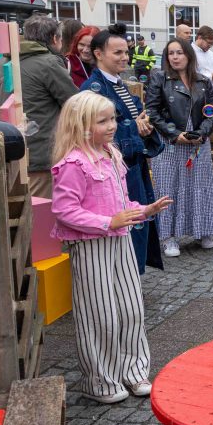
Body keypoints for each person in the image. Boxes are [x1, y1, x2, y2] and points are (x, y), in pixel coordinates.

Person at [49, 91, 172, 403]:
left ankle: (133, 372)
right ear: (81, 125)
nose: (112, 125)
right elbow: (65, 211)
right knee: (100, 314)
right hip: (91, 246)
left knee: (132, 309)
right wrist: (109, 222)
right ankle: (101, 380)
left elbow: (120, 203)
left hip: (119, 242)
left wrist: (143, 210)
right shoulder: (73, 164)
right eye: (102, 120)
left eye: (113, 118)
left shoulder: (111, 155)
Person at [79, 25, 165, 274]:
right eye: (117, 53)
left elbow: (133, 122)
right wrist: (134, 129)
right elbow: (93, 134)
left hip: (132, 167)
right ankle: (122, 281)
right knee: (124, 226)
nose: (125, 57)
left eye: (126, 52)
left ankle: (131, 278)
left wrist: (145, 125)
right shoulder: (91, 89)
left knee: (138, 223)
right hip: (112, 172)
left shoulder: (119, 85)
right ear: (98, 54)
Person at [0, 14, 79, 198]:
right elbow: (75, 103)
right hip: (42, 153)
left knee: (16, 208)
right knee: (40, 211)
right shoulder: (49, 63)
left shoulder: (1, 62)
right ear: (55, 39)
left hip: (8, 148)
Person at [145, 38, 213, 257]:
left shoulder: (202, 80)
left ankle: (203, 230)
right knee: (169, 187)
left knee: (200, 185)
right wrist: (174, 134)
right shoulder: (159, 78)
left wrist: (202, 133)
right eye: (171, 53)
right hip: (170, 141)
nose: (175, 57)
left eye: (179, 52)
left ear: (188, 55)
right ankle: (169, 237)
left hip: (197, 140)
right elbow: (152, 111)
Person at [193, 26, 213, 93]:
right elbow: (190, 74)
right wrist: (211, 76)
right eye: (209, 43)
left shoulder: (211, 54)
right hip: (198, 94)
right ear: (199, 37)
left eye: (212, 44)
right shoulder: (190, 52)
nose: (210, 46)